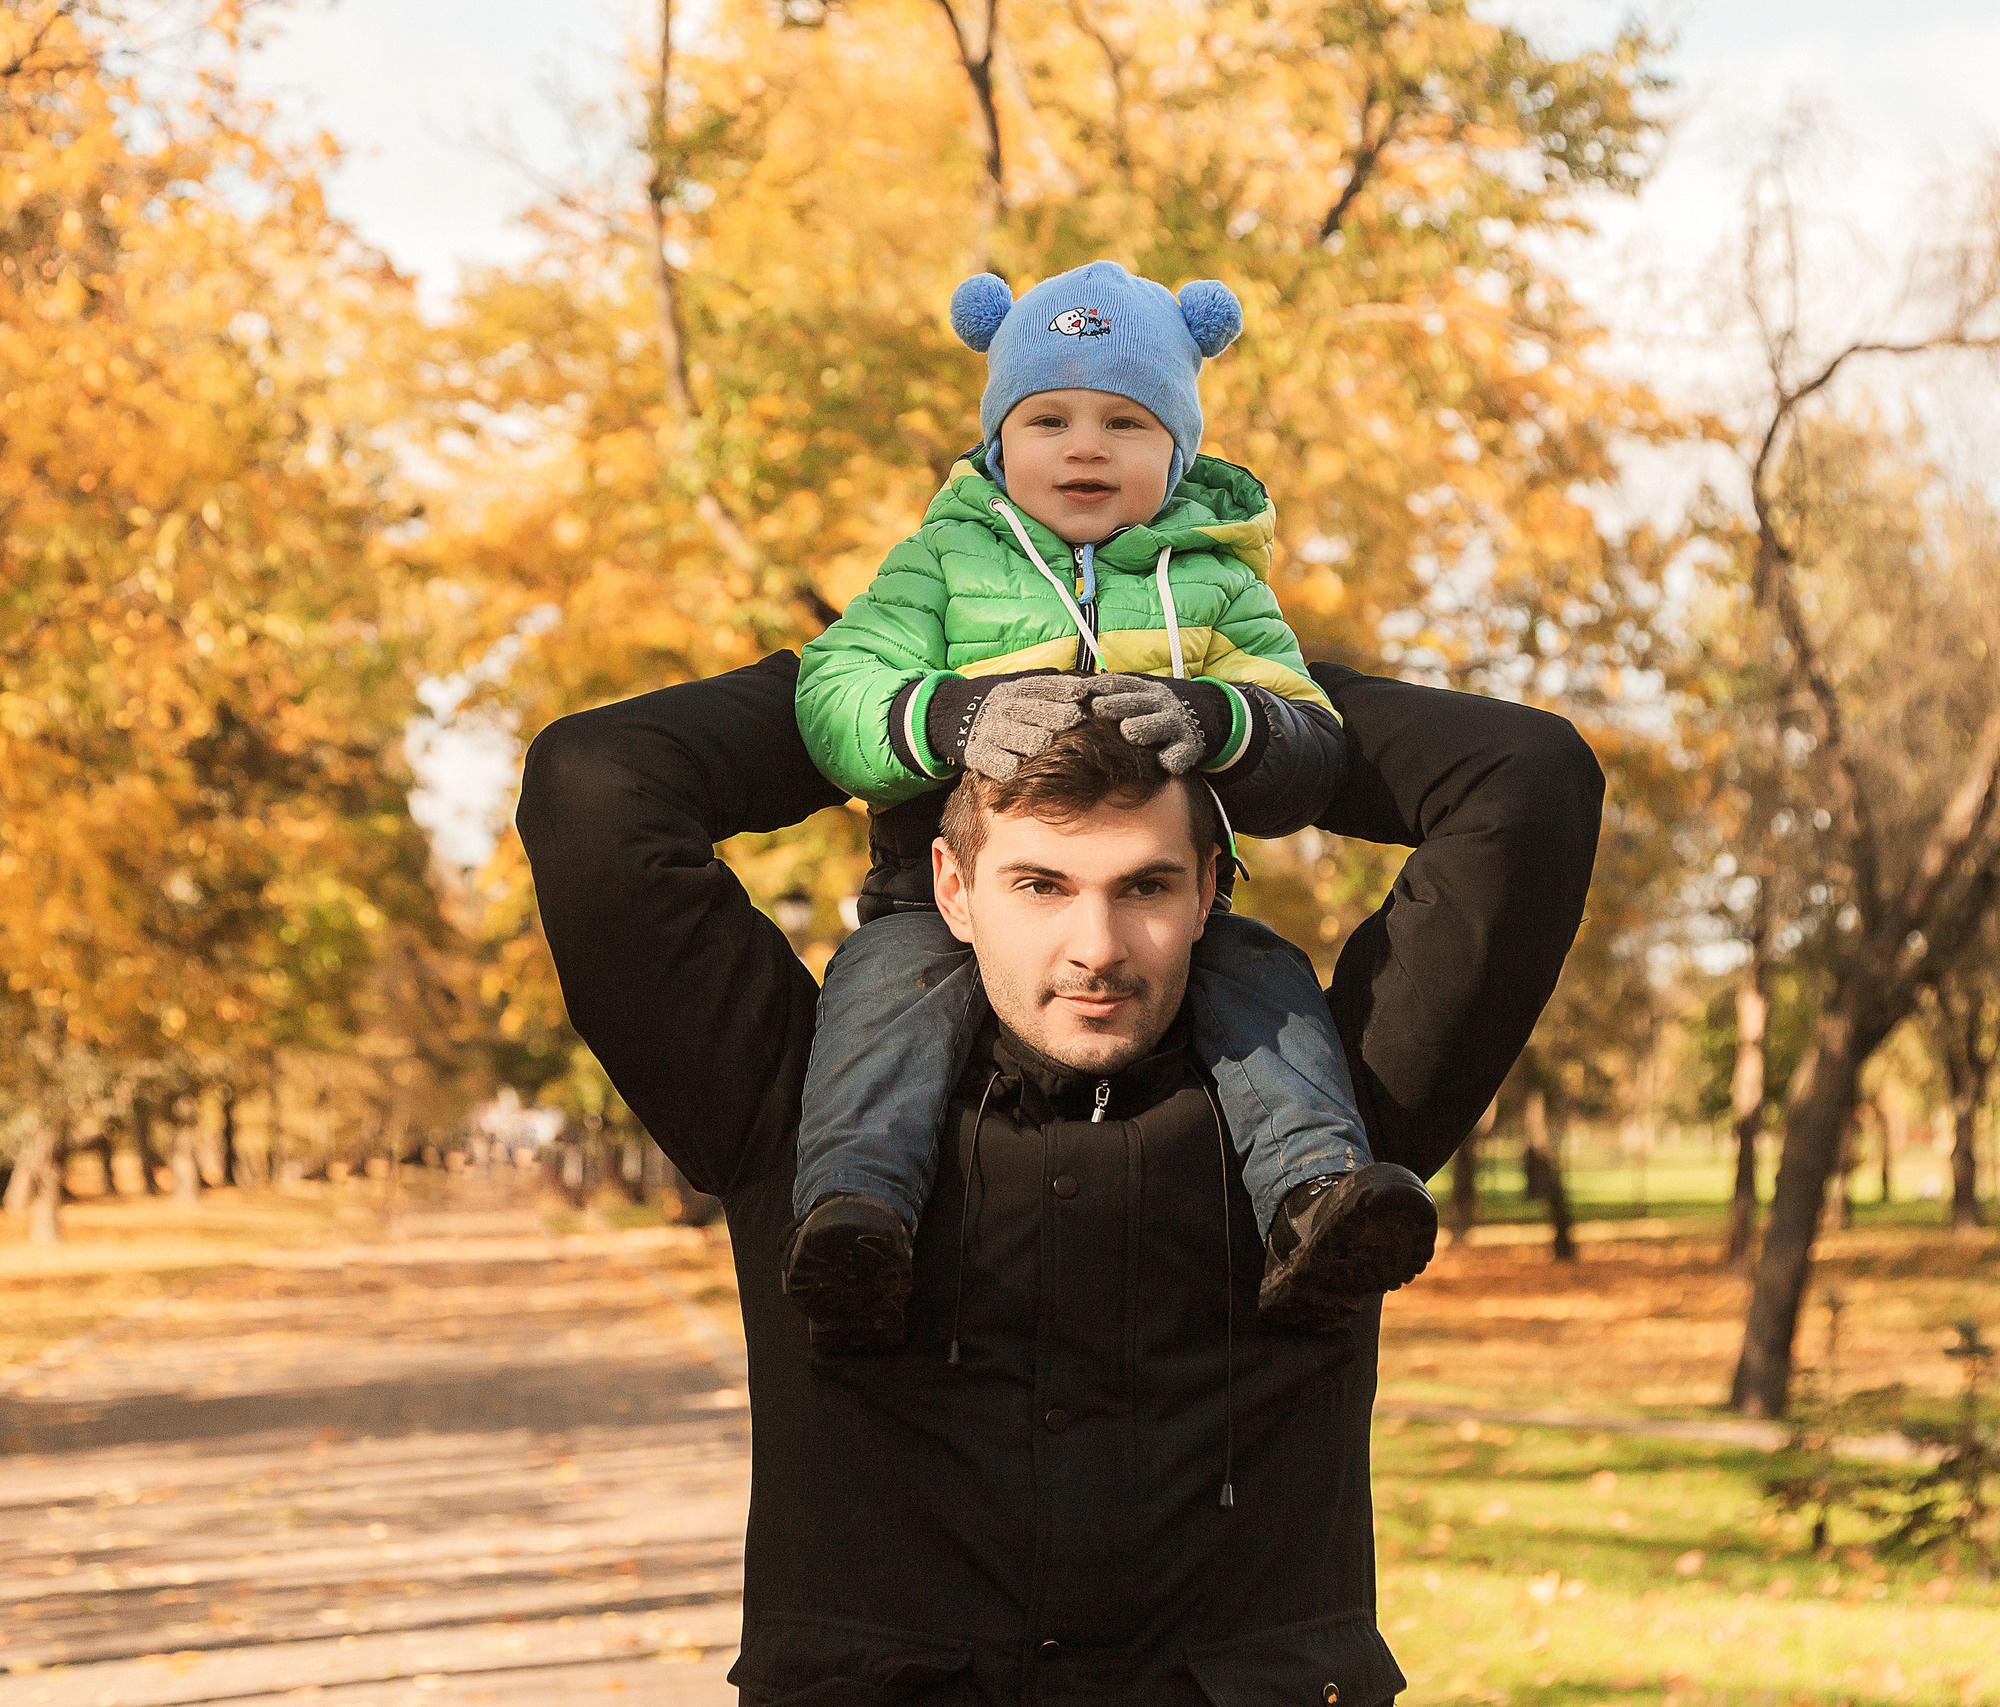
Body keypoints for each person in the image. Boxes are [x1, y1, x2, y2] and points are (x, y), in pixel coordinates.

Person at [517, 648, 1600, 1704]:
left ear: (1209, 887)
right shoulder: (804, 1104)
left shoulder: (1332, 1119)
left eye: (1147, 886)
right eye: (1040, 884)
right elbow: (595, 785)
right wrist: (918, 685)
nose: (1098, 946)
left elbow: (1527, 778)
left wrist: (1222, 690)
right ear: (951, 887)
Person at [788, 259, 1430, 1352]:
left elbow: (1309, 737)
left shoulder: (1218, 581)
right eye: (1048, 419)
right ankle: (855, 1214)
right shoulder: (941, 561)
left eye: (1126, 422)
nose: (1085, 447)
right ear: (999, 442)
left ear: (1178, 449)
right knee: (878, 997)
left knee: (1267, 987)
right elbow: (833, 688)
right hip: (940, 900)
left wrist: (1220, 717)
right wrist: (949, 717)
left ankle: (1315, 1195)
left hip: (1165, 896)